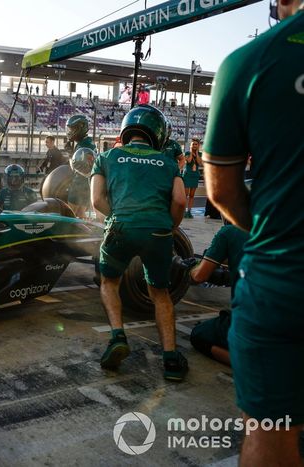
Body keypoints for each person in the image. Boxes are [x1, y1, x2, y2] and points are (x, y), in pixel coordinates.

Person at [202, 1, 304, 463]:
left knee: (271, 435)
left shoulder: (248, 61)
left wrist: (274, 229)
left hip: (282, 281)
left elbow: (221, 192)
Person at [90, 104, 188, 381]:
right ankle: (170, 359)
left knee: (110, 281)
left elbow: (96, 200)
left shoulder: (107, 156)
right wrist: (169, 225)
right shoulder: (168, 163)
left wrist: (122, 217)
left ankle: (118, 336)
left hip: (121, 226)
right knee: (160, 293)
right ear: (158, 135)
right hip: (159, 230)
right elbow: (180, 200)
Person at [178, 224, 249, 366]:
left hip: (252, 320)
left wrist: (191, 268)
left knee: (199, 335)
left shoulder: (230, 232)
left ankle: (247, 364)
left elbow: (199, 277)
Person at [65, 115, 96, 218]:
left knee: (70, 214)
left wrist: (70, 154)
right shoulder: (87, 142)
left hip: (80, 182)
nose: (70, 132)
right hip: (85, 183)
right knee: (80, 214)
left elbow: (75, 167)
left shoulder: (84, 145)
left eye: (72, 129)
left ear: (80, 128)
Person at [182, 138, 203, 218]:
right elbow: (189, 161)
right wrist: (191, 151)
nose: (194, 145)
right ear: (191, 145)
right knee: (185, 195)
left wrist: (197, 153)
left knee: (192, 195)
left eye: (196, 144)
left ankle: (189, 211)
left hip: (195, 175)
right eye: (193, 144)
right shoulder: (187, 153)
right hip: (188, 175)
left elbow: (199, 163)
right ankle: (183, 211)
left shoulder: (200, 154)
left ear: (198, 146)